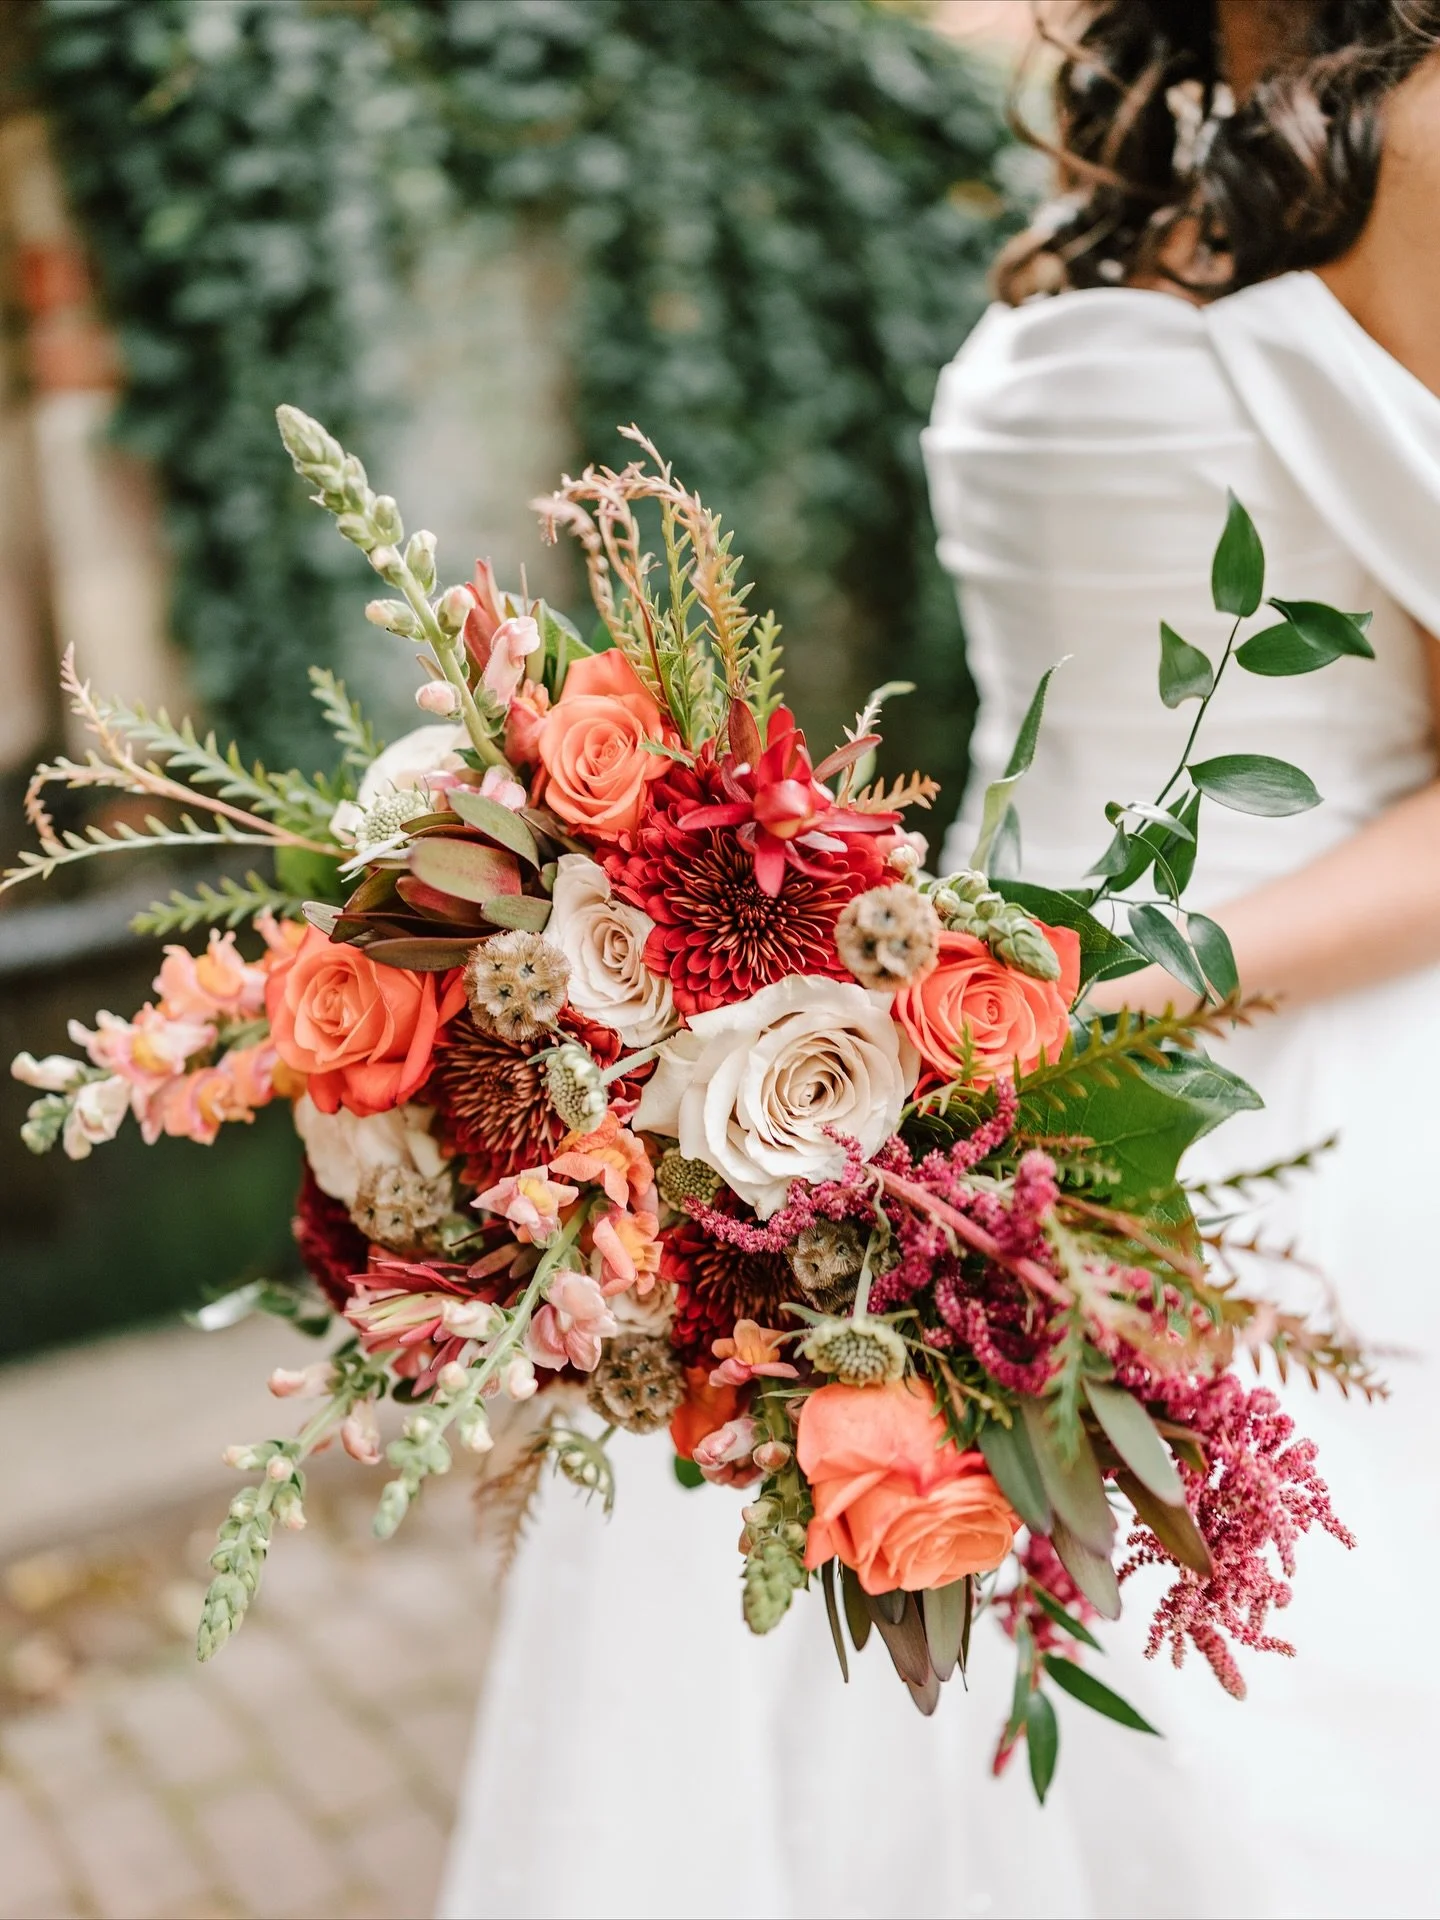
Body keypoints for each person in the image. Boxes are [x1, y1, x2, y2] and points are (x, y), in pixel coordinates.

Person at [439, 5, 1440, 1914]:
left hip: (1271, 1065)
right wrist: (796, 924)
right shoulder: (1155, 121)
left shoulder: (1429, 131)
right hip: (935, 1048)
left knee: (1188, 1722)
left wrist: (1109, 994)